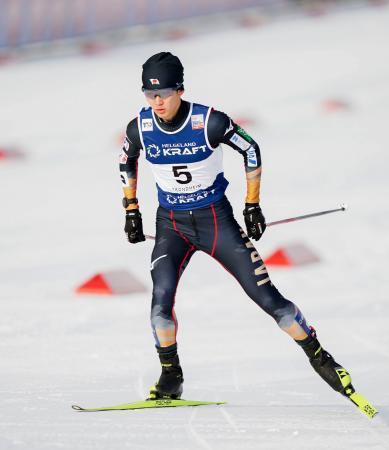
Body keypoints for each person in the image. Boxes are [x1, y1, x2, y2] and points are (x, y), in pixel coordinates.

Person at [119, 52, 354, 401]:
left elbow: (251, 149)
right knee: (160, 304)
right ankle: (171, 375)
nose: (157, 102)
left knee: (267, 298)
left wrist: (252, 204)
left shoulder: (209, 121)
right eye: (149, 94)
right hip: (171, 224)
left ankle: (320, 357)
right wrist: (132, 209)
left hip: (216, 221)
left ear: (180, 89)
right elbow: (126, 160)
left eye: (164, 93)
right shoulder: (140, 126)